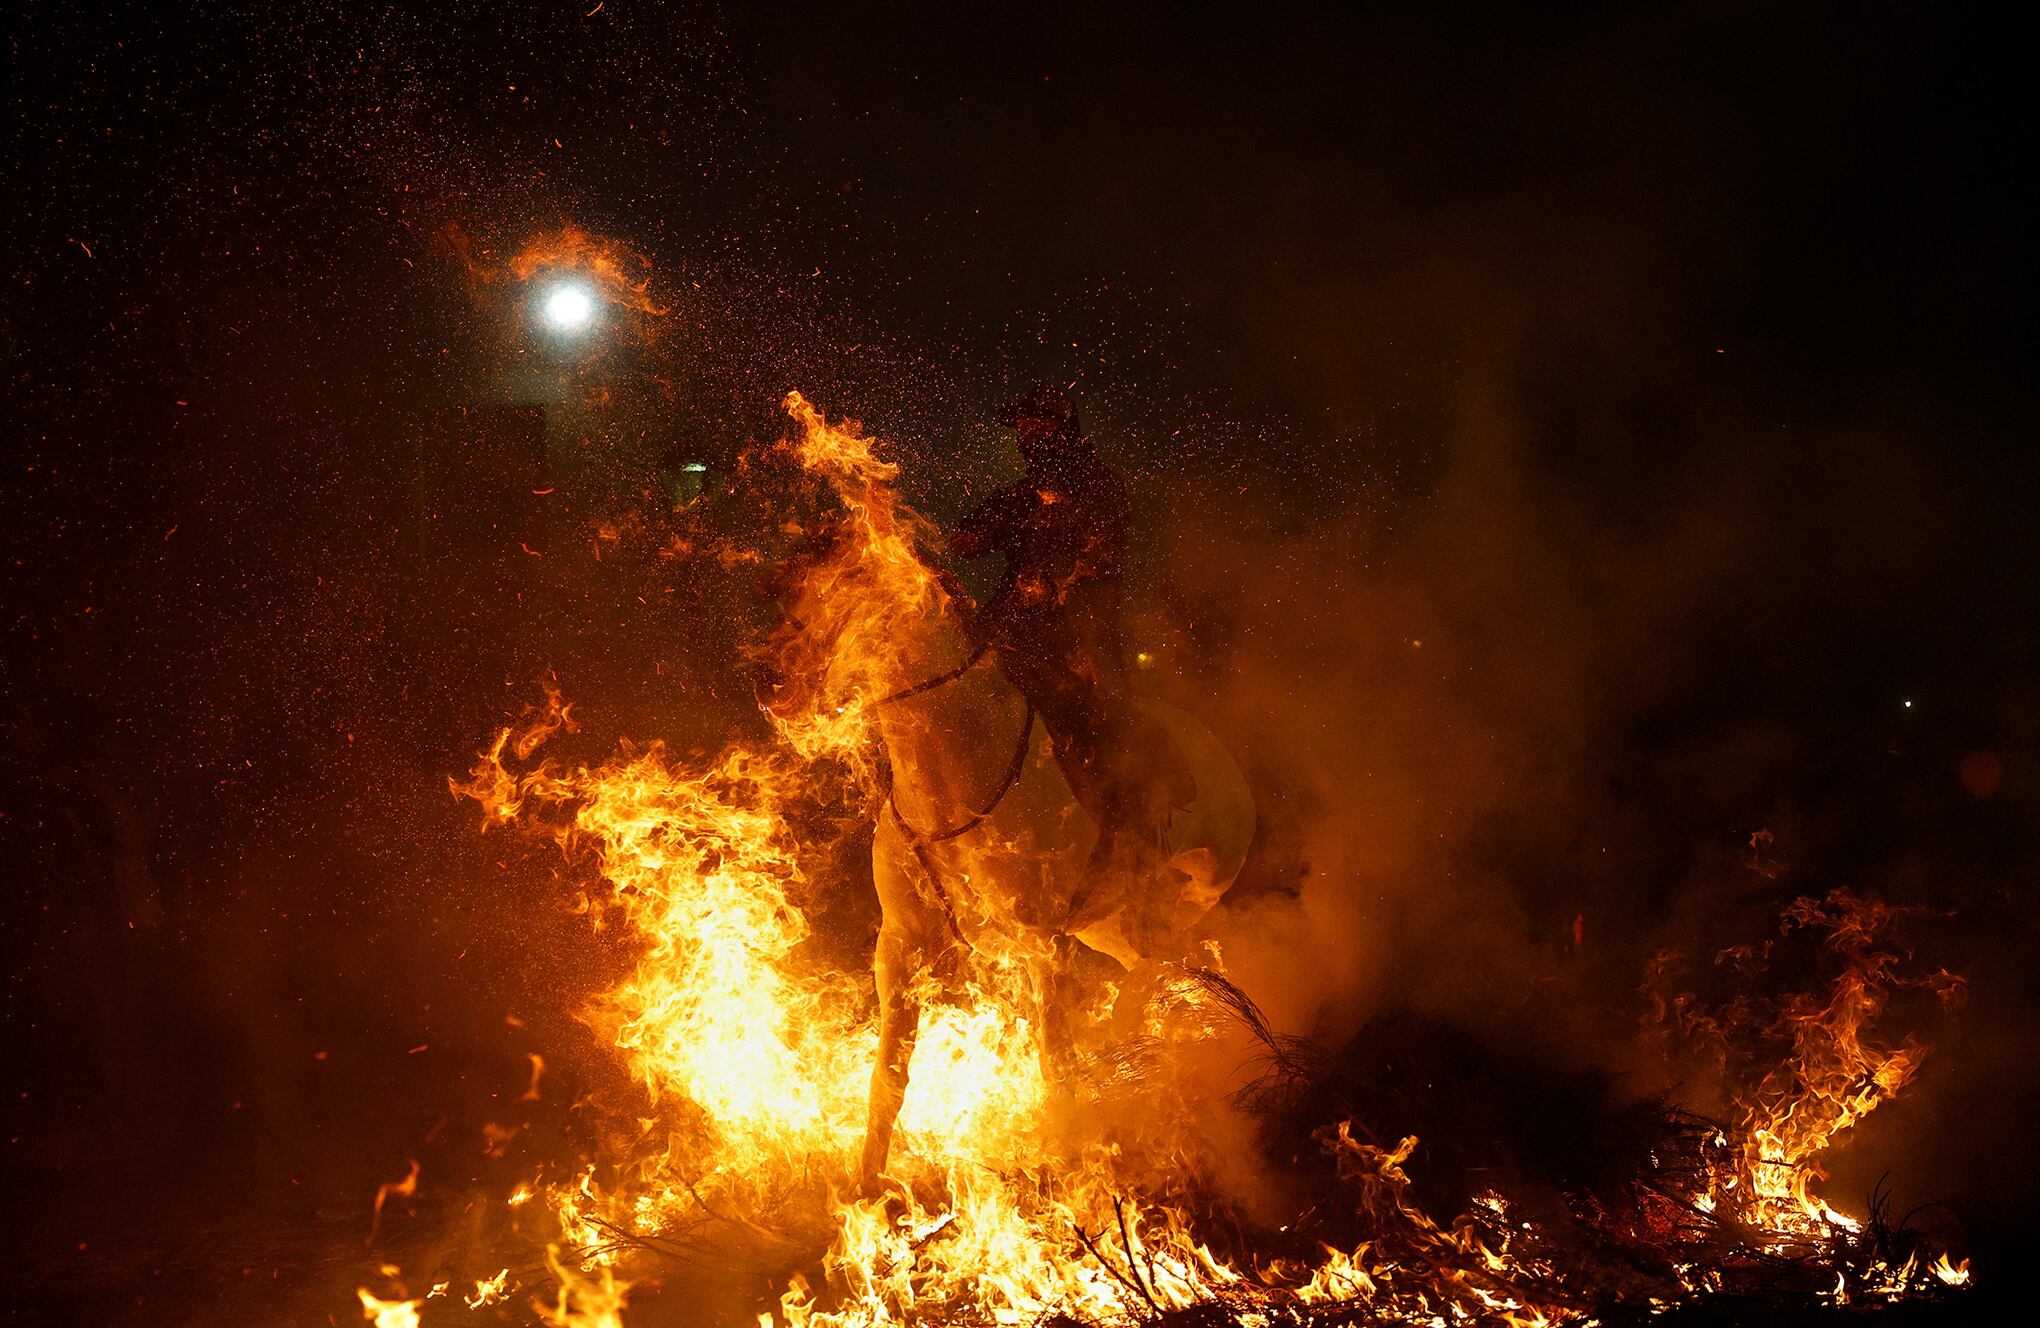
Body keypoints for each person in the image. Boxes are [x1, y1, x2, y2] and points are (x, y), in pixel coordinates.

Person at [948, 383, 1190, 937]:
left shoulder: (1098, 485)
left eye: (1035, 424)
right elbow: (970, 537)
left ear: (1060, 427)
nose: (1025, 435)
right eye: (1021, 427)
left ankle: (1135, 852)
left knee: (1097, 733)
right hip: (1012, 632)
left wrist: (1054, 583)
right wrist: (972, 535)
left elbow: (1101, 553)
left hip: (1081, 638)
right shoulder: (1025, 493)